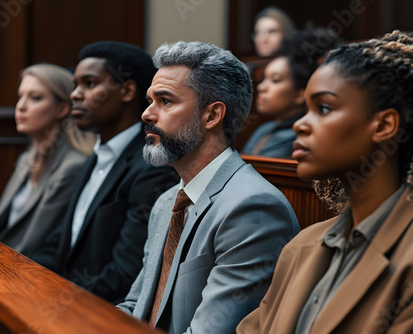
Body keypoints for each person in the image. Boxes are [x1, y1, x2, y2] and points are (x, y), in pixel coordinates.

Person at [237, 30, 413, 333]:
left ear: (384, 125)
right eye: (305, 109)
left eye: (324, 108)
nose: (301, 124)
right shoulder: (300, 246)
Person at [116, 41, 299, 333]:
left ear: (212, 116)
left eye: (165, 101)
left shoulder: (255, 207)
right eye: (150, 100)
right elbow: (137, 307)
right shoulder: (167, 202)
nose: (147, 114)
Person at [32, 41, 178, 304]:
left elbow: (124, 273)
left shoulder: (151, 167)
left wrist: (53, 304)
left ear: (127, 91)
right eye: (75, 85)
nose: (75, 94)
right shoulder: (94, 158)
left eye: (89, 83)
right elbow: (61, 243)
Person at [0, 64, 96, 257]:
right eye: (20, 96)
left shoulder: (72, 166)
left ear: (62, 108)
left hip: (23, 273)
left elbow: (31, 247)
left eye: (35, 98)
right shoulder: (26, 158)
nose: (21, 106)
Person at [242, 27, 342, 158]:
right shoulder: (264, 129)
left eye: (275, 80)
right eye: (264, 79)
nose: (261, 87)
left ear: (301, 94)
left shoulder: (299, 135)